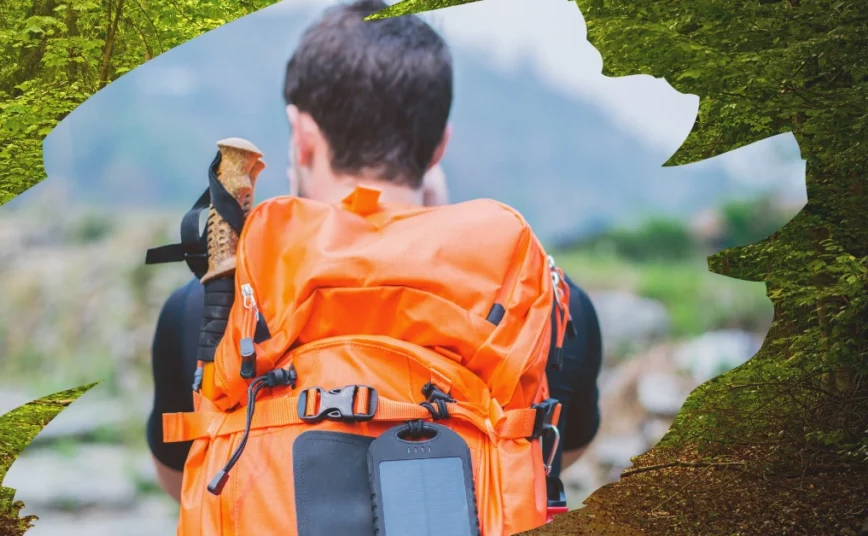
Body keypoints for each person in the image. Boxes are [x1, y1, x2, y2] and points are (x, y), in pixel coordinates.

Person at [146, 0, 603, 503]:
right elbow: (550, 459)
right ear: (438, 148)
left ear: (301, 137)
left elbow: (185, 479)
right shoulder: (550, 308)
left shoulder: (206, 307)